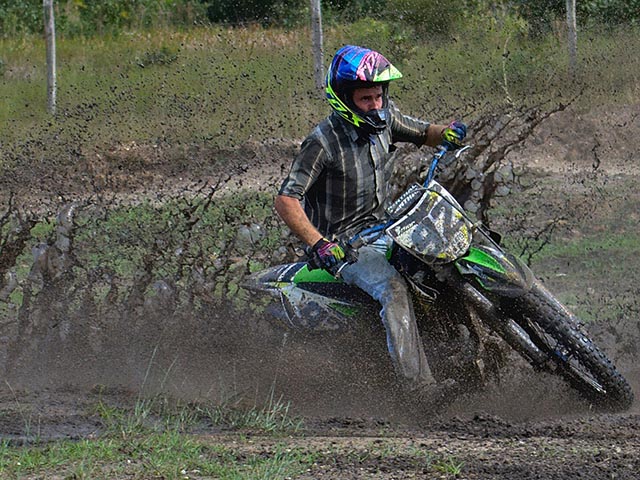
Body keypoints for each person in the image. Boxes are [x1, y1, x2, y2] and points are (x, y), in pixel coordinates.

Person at [274, 45, 467, 402]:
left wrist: (450, 132)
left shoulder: (385, 119)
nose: (375, 105)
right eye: (366, 99)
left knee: (447, 259)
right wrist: (320, 244)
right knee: (394, 291)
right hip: (347, 246)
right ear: (344, 99)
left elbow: (426, 133)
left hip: (387, 228)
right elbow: (286, 200)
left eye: (379, 96)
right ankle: (419, 391)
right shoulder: (321, 142)